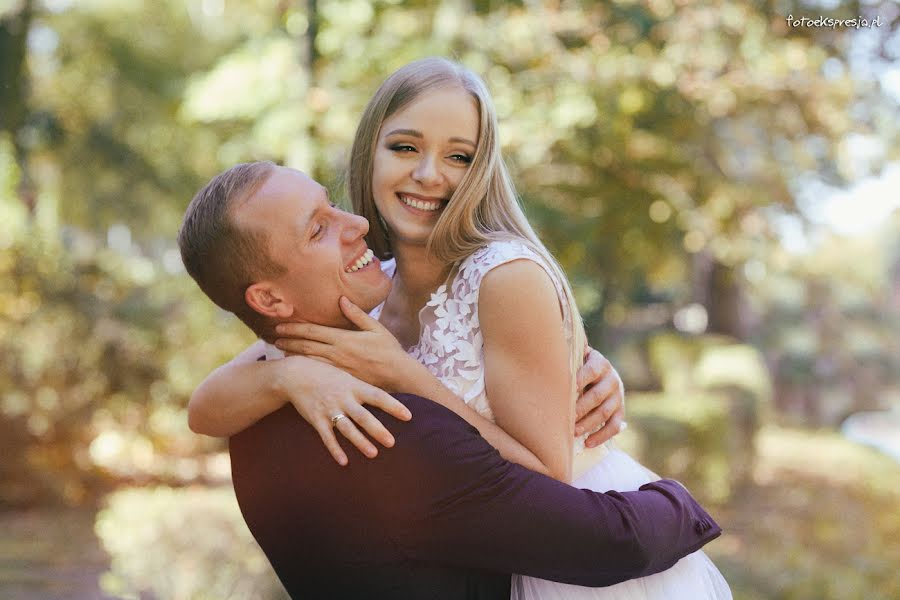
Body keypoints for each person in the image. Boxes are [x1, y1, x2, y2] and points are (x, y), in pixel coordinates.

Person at [178, 161, 723, 598]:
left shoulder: (252, 418)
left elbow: (206, 405)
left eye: (333, 205)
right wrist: (679, 501)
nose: (358, 225)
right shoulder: (394, 433)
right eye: (319, 229)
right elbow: (611, 541)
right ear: (270, 299)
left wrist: (560, 361)